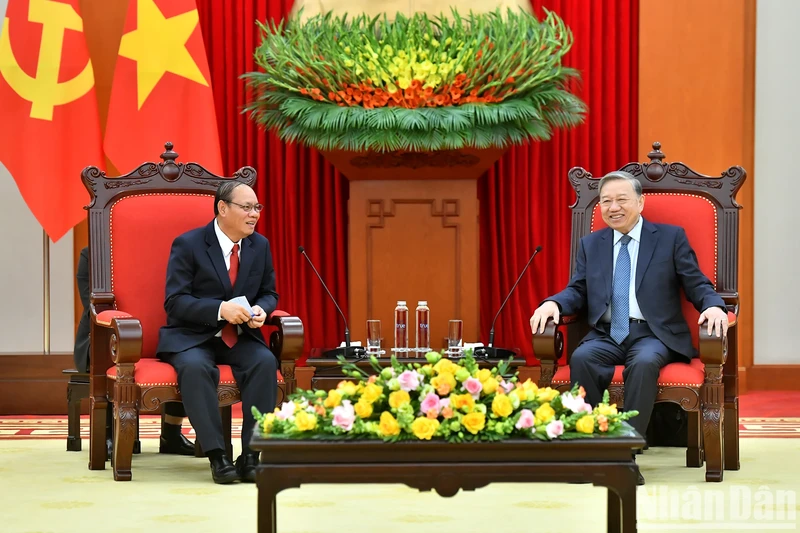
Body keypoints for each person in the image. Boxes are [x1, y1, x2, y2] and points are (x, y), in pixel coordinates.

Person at [529, 171, 729, 485]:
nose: (613, 207)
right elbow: (578, 290)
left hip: (653, 333)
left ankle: (625, 454)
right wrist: (553, 303)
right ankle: (593, 449)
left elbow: (696, 283)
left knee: (645, 362)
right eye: (606, 201)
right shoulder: (592, 244)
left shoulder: (669, 238)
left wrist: (714, 305)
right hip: (607, 334)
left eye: (622, 199)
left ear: (640, 202)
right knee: (583, 359)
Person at [156, 181, 279, 484]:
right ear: (223, 208)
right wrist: (219, 309)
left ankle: (251, 455)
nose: (254, 215)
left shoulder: (258, 245)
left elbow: (268, 292)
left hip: (239, 335)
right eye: (247, 207)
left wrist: (262, 309)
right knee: (196, 368)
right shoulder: (189, 244)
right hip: (192, 336)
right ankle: (218, 456)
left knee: (264, 361)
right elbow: (175, 301)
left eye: (257, 208)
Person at [74, 247, 195, 456]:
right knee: (112, 344)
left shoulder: (176, 246)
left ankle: (172, 434)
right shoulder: (95, 253)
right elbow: (95, 309)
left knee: (185, 347)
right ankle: (110, 435)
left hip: (162, 327)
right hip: (106, 336)